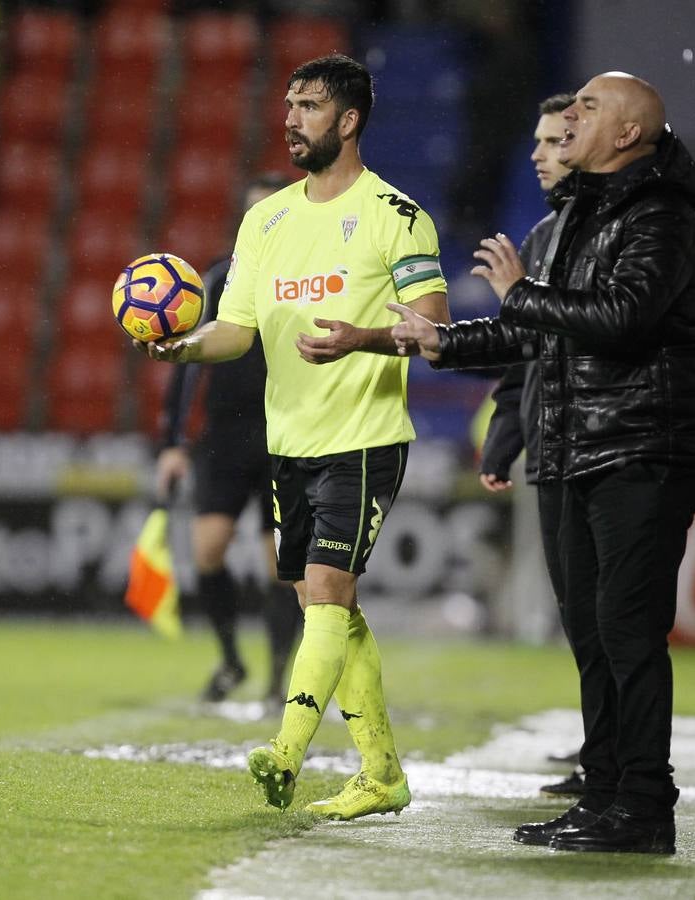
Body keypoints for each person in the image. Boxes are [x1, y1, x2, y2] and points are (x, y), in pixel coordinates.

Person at [392, 72, 695, 854]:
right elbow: (537, 336)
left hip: (644, 442)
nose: (570, 116)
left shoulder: (660, 216)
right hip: (574, 446)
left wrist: (519, 295)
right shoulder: (574, 214)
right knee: (593, 633)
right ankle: (602, 798)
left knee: (628, 632)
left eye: (588, 108)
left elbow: (622, 320)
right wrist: (446, 342)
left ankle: (643, 808)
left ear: (628, 134)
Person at [138, 54, 450, 820]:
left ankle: (285, 752)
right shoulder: (266, 218)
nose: (289, 118)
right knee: (322, 599)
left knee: (328, 596)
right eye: (288, 104)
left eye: (309, 106)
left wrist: (362, 340)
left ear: (348, 121)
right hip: (290, 443)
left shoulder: (397, 215)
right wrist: (183, 347)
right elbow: (236, 331)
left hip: (365, 435)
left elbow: (437, 329)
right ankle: (382, 773)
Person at [155, 172, 302, 709]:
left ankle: (278, 679)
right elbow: (188, 365)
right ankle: (231, 660)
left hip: (284, 435)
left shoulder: (305, 279)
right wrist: (172, 442)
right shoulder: (219, 277)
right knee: (208, 550)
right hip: (224, 437)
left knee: (279, 566)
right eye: (251, 212)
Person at [477, 91, 586, 799]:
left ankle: (625, 775)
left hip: (613, 443)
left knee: (613, 620)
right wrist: (504, 435)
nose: (537, 155)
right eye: (537, 141)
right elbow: (526, 348)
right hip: (558, 441)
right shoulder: (548, 234)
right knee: (583, 613)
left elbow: (616, 325)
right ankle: (604, 752)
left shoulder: (632, 225)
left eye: (553, 142)